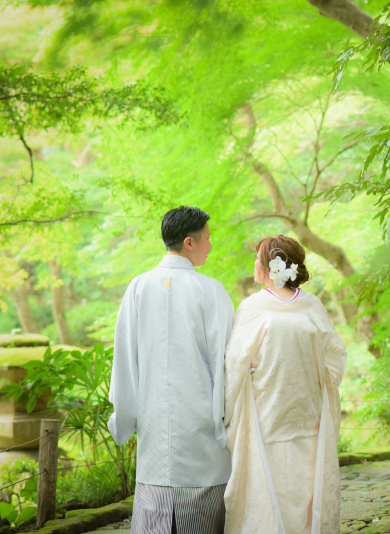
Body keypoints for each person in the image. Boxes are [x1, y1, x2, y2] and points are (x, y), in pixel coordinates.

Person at [108, 206, 234, 534]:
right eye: (207, 238)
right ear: (189, 243)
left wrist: (124, 418)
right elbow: (226, 364)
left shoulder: (138, 287)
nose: (211, 244)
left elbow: (124, 360)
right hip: (202, 431)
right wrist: (226, 424)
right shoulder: (210, 290)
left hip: (154, 433)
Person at [223, 235, 347, 534]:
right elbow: (335, 357)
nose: (254, 264)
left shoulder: (254, 306)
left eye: (258, 259)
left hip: (276, 412)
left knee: (280, 488)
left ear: (270, 266)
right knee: (299, 489)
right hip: (300, 412)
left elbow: (236, 363)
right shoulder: (310, 305)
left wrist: (227, 410)